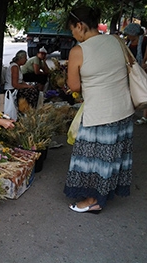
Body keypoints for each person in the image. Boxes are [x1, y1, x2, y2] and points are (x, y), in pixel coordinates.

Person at [63, 6, 134, 213]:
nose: (73, 35)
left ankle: (93, 200)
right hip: (124, 110)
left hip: (99, 114)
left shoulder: (79, 51)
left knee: (91, 159)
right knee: (110, 157)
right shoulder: (116, 41)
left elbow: (74, 86)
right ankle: (104, 193)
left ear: (80, 25)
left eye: (73, 30)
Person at [123, 22, 147, 125]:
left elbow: (145, 57)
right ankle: (129, 111)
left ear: (134, 33)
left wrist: (144, 63)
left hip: (143, 69)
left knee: (144, 90)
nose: (127, 35)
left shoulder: (145, 41)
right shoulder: (128, 42)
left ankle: (145, 116)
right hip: (132, 69)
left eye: (129, 33)